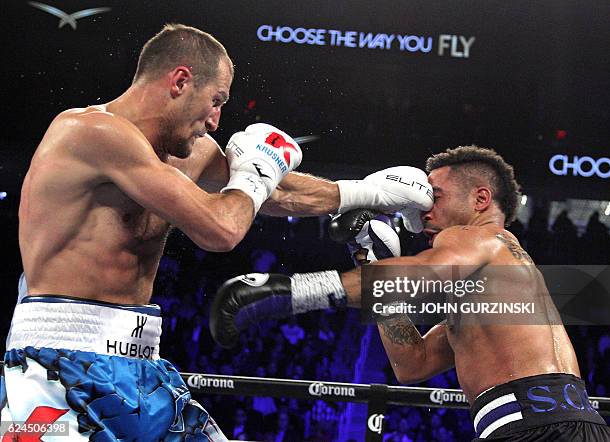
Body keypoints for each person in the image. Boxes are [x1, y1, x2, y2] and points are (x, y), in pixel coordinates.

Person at [1, 23, 435, 440]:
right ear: (180, 81)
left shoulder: (176, 155)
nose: (215, 121)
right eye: (216, 100)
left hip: (141, 366)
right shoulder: (89, 132)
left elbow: (273, 191)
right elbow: (222, 226)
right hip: (50, 369)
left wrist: (369, 192)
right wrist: (256, 173)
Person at [211, 146, 610, 441]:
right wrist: (371, 261)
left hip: (532, 427)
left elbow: (422, 274)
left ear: (481, 199)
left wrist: (291, 291)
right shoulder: (499, 278)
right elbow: (413, 363)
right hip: (566, 423)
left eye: (434, 196)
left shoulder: (478, 238)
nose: (422, 212)